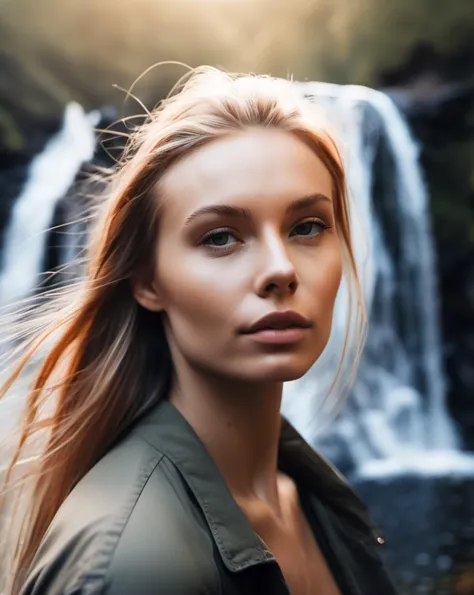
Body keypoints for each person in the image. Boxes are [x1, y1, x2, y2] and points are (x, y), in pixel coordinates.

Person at [0, 67, 398, 595]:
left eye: (307, 227)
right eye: (220, 237)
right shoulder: (134, 564)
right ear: (146, 280)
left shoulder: (312, 496)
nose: (281, 269)